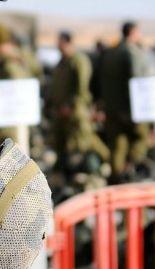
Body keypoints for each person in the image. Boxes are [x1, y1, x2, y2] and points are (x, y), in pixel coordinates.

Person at [45, 31, 109, 181]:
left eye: (60, 43)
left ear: (68, 43)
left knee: (84, 141)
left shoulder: (79, 61)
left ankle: (100, 167)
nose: (58, 47)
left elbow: (82, 87)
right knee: (62, 143)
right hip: (61, 111)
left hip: (76, 111)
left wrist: (72, 106)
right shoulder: (62, 62)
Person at [98, 21, 152, 184]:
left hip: (111, 108)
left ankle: (116, 180)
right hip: (130, 110)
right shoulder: (132, 53)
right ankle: (129, 173)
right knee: (142, 138)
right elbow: (136, 82)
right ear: (133, 33)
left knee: (118, 145)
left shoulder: (109, 53)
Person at [0, 23, 33, 148]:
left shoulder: (11, 67)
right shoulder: (2, 63)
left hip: (8, 131)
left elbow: (18, 102)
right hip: (1, 130)